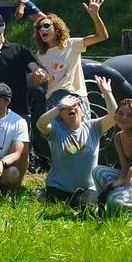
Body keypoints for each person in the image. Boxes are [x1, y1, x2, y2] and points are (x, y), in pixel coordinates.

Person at [36, 76, 117, 211]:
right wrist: (59, 106)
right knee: (55, 206)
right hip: (58, 187)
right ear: (61, 114)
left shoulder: (93, 127)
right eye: (67, 108)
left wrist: (107, 93)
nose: (71, 109)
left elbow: (114, 116)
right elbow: (40, 124)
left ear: (82, 111)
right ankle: (45, 196)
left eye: (75, 106)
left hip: (87, 187)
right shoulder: (55, 129)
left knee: (86, 209)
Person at [34, 0, 109, 112]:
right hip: (54, 99)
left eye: (47, 25)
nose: (42, 29)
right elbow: (39, 81)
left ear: (57, 29)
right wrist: (40, 77)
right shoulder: (40, 55)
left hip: (77, 97)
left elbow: (102, 36)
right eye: (39, 27)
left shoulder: (72, 44)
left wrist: (95, 15)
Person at [0, 13, 45, 119]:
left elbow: (33, 66)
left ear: (4, 26)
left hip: (19, 111)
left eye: (0, 30)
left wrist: (37, 71)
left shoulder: (19, 50)